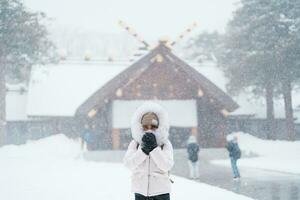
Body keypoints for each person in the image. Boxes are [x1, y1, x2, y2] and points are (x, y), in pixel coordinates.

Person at [123, 102, 174, 200]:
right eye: (146, 127)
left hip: (161, 193)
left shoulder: (165, 144)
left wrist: (154, 149)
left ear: (159, 126)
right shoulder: (135, 143)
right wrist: (143, 151)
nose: (149, 130)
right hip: (140, 192)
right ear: (140, 126)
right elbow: (128, 164)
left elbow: (166, 166)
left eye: (153, 126)